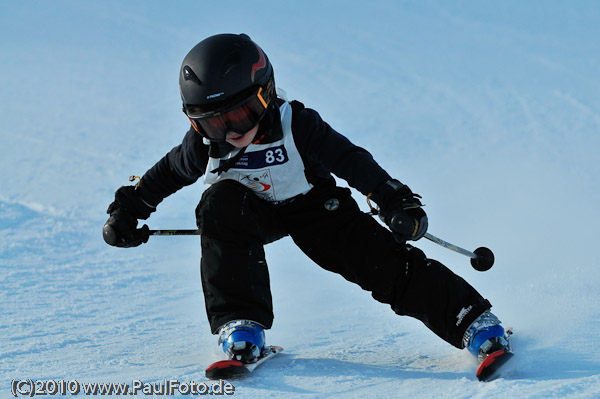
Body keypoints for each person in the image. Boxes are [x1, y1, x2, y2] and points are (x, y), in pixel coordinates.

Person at [103, 33, 508, 368]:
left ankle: (472, 321)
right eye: (213, 122)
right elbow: (166, 174)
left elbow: (349, 159)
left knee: (378, 262)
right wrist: (129, 210)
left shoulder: (296, 123)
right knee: (217, 205)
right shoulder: (203, 146)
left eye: (242, 115)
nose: (230, 131)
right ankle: (240, 324)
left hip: (317, 209)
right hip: (252, 213)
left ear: (266, 94)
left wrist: (393, 200)